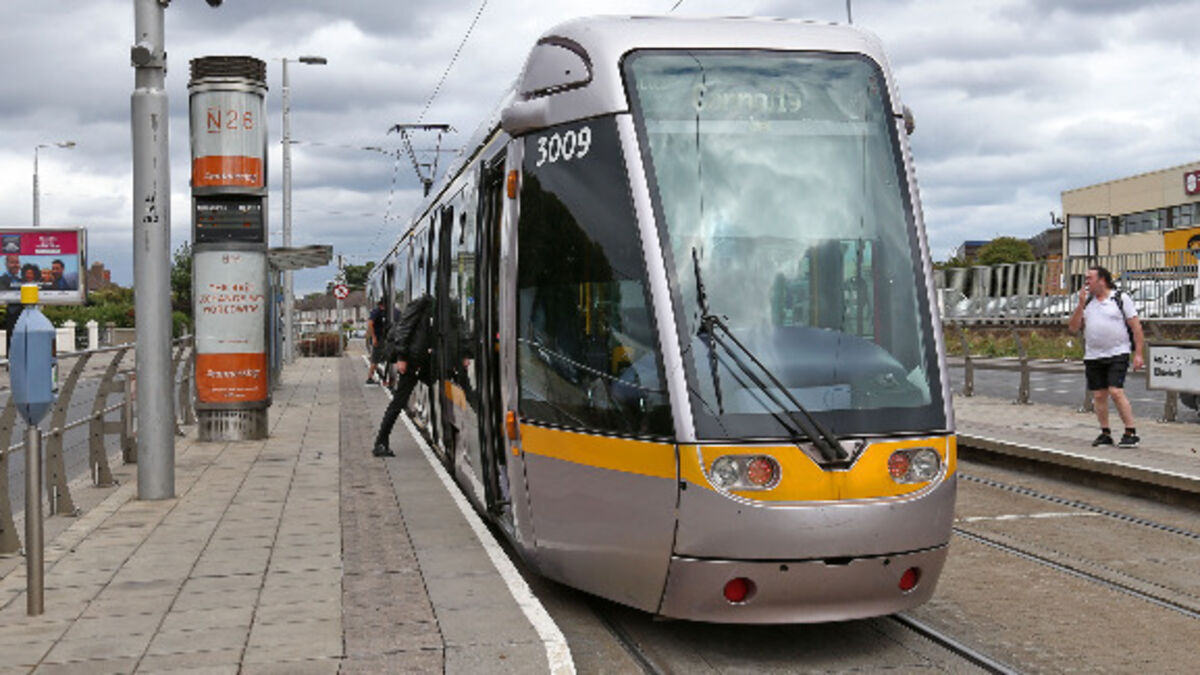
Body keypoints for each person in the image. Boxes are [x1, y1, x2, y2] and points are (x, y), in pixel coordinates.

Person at [1068, 265, 1144, 448]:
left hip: (1118, 352)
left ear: (1102, 280)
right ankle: (1105, 432)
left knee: (1116, 391)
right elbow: (1073, 328)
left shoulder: (1120, 298)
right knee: (1099, 395)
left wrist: (1139, 354)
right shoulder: (1088, 302)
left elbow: (1136, 327)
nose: (1086, 282)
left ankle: (1130, 431)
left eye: (1090, 278)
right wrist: (1080, 304)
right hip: (1093, 355)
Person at [373, 295, 433, 457]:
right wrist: (402, 358)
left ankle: (436, 432)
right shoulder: (421, 305)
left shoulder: (433, 307)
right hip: (412, 362)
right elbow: (404, 331)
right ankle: (380, 443)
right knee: (398, 403)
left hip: (422, 361)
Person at [365, 299, 390, 384]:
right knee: (375, 360)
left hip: (381, 338)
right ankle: (370, 377)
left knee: (380, 358)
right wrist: (374, 337)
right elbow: (370, 323)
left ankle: (381, 376)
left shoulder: (382, 312)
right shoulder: (377, 312)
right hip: (378, 339)